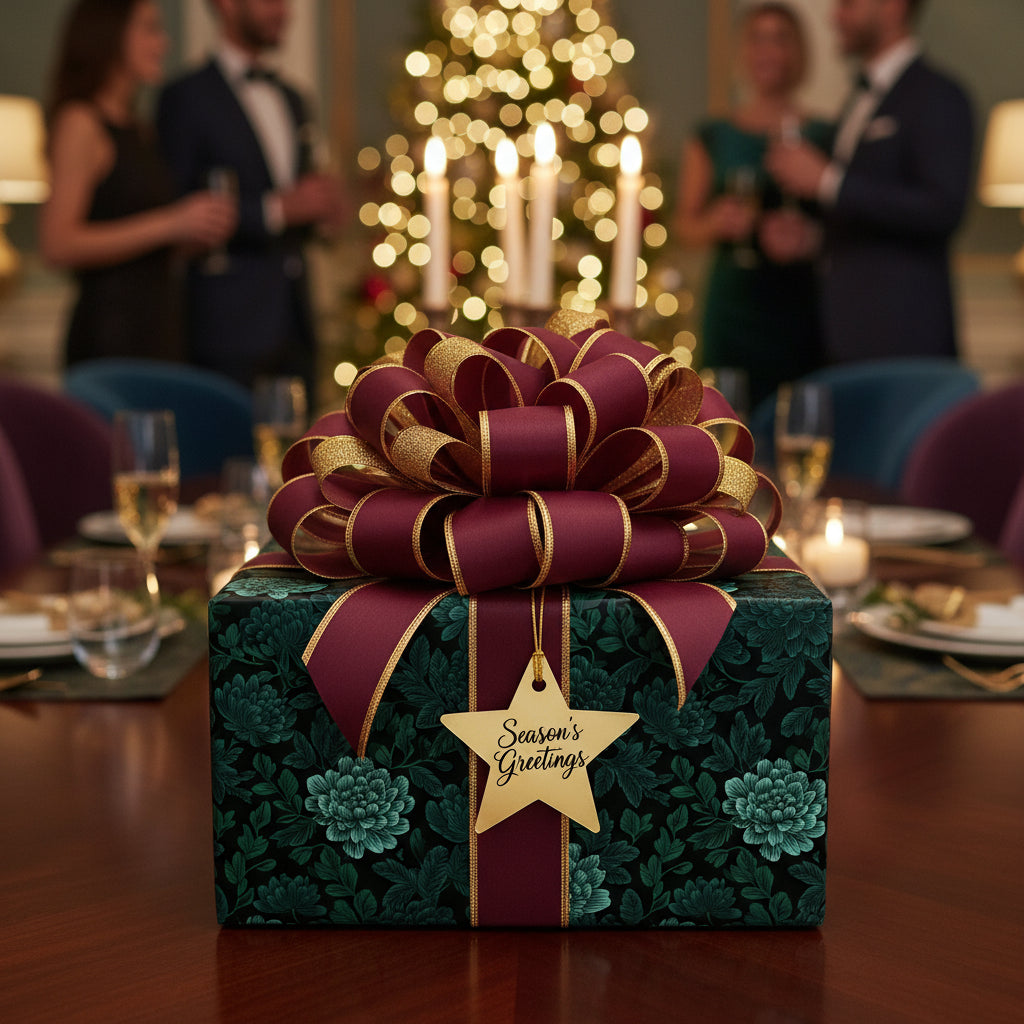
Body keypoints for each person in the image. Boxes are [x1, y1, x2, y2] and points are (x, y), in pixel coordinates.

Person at [156, 0, 344, 400]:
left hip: (295, 321)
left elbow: (301, 198)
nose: (285, 11)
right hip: (226, 328)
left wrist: (322, 211)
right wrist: (279, 209)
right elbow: (177, 214)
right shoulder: (185, 97)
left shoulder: (294, 98)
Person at [766, 0, 973, 364]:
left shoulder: (940, 95)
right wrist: (812, 239)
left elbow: (942, 209)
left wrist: (827, 181)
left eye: (848, 4)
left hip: (905, 342)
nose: (835, 16)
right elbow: (865, 220)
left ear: (893, 7)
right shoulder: (858, 99)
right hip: (842, 339)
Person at [40, 0, 236, 366]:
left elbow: (138, 240)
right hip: (111, 334)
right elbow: (57, 244)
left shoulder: (139, 127)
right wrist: (171, 223)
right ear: (109, 36)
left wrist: (188, 236)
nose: (162, 43)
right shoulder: (80, 122)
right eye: (150, 29)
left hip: (159, 329)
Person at [675, 1, 830, 409]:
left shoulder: (825, 133)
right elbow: (684, 228)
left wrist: (808, 237)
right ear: (743, 52)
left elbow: (843, 227)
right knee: (727, 420)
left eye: (779, 39)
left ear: (797, 52)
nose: (767, 51)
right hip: (733, 307)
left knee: (796, 417)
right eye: (757, 39)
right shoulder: (712, 133)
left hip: (799, 305)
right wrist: (715, 224)